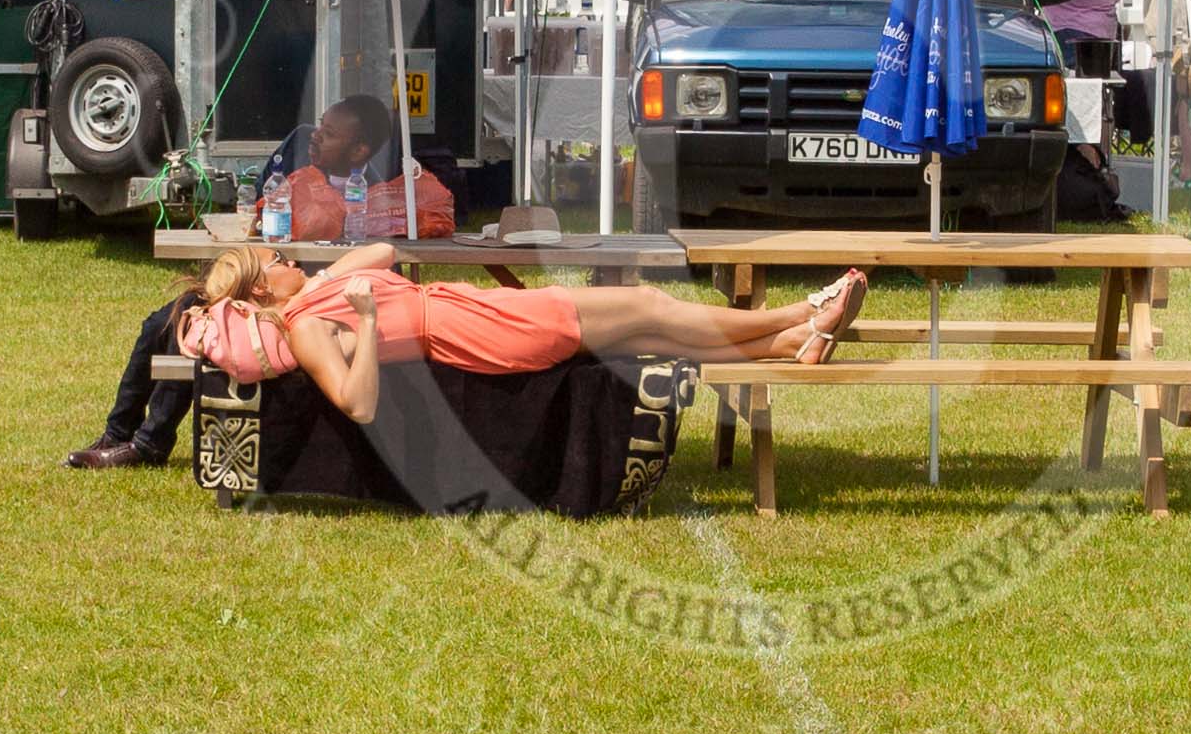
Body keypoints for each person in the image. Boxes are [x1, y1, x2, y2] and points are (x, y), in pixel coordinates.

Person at [64, 95, 396, 470]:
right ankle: (118, 433)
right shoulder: (299, 172)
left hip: (302, 310)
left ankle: (147, 444)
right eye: (320, 125)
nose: (315, 136)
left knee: (191, 322)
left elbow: (374, 262)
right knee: (161, 322)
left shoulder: (376, 198)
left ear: (359, 150)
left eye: (330, 133)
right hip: (270, 289)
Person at [195, 244, 869, 422]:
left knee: (655, 330)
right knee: (650, 307)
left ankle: (792, 343)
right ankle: (799, 313)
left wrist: (318, 282)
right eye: (279, 263)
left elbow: (379, 253)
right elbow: (356, 401)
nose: (291, 262)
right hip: (482, 331)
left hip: (475, 315)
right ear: (261, 289)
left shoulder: (312, 296)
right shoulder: (310, 327)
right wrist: (367, 321)